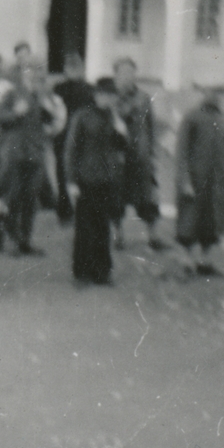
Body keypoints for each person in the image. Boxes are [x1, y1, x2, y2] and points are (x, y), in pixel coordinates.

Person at [65, 77, 127, 285]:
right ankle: (81, 273)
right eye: (103, 95)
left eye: (111, 96)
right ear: (96, 95)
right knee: (84, 226)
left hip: (107, 178)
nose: (107, 99)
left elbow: (121, 146)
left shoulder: (113, 117)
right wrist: (71, 181)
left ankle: (102, 272)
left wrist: (120, 127)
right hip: (86, 177)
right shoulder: (82, 116)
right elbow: (71, 149)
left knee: (103, 227)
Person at [175, 85, 224, 277]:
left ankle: (204, 261)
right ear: (203, 94)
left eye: (219, 93)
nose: (215, 96)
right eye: (211, 92)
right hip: (195, 179)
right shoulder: (191, 117)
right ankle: (186, 261)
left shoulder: (223, 118)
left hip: (216, 180)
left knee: (211, 221)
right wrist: (184, 180)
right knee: (189, 220)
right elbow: (181, 151)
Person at [0, 61, 53, 256]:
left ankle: (26, 241)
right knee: (13, 196)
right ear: (24, 74)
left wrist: (48, 108)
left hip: (35, 153)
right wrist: (15, 113)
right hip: (15, 152)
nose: (35, 77)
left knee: (31, 198)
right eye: (31, 72)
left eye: (38, 73)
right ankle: (12, 239)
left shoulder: (43, 95)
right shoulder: (12, 93)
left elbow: (50, 121)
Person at [112, 58, 166, 251]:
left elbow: (151, 127)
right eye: (124, 72)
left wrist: (152, 154)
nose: (128, 76)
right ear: (116, 74)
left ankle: (153, 236)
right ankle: (118, 235)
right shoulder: (110, 98)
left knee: (148, 198)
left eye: (131, 72)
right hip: (118, 158)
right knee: (116, 199)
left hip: (141, 157)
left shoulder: (144, 97)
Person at [51, 52, 94, 223]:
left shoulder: (88, 89)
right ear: (65, 69)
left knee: (77, 173)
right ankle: (65, 210)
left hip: (80, 137)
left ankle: (73, 210)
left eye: (76, 67)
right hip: (64, 136)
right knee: (63, 173)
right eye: (70, 67)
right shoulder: (59, 89)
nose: (73, 70)